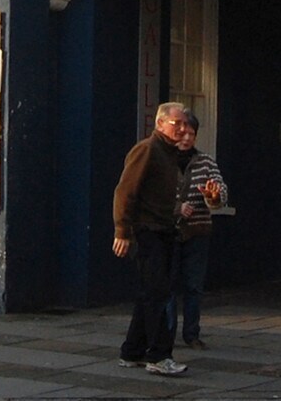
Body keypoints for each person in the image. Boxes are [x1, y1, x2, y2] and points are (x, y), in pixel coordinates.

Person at [112, 101, 191, 377]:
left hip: (164, 230)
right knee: (161, 296)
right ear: (160, 123)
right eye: (176, 123)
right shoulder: (147, 149)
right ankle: (159, 355)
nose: (182, 128)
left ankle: (132, 352)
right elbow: (125, 192)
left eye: (184, 123)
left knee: (150, 294)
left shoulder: (170, 154)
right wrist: (122, 231)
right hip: (148, 232)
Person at [167, 109, 227, 348]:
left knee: (193, 286)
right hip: (170, 232)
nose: (187, 138)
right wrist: (176, 207)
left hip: (197, 232)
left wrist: (213, 197)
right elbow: (152, 195)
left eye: (191, 133)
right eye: (183, 133)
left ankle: (192, 334)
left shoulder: (205, 161)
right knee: (168, 286)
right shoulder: (163, 159)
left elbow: (220, 194)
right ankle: (167, 334)